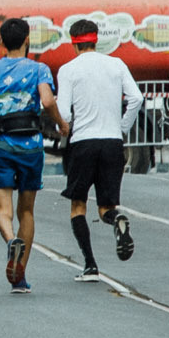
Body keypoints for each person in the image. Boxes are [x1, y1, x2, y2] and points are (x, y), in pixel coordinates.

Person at [53, 18, 143, 282]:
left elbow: (64, 111)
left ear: (73, 42)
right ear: (96, 39)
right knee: (106, 206)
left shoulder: (68, 70)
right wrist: (122, 126)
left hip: (83, 143)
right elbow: (137, 98)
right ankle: (117, 220)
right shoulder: (116, 64)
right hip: (112, 142)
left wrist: (63, 127)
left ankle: (90, 265)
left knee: (78, 205)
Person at [0, 17, 57, 293]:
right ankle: (20, 277)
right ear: (27, 40)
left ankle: (10, 240)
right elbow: (46, 101)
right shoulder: (39, 69)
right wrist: (61, 122)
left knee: (3, 210)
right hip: (31, 145)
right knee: (27, 211)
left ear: (1, 42)